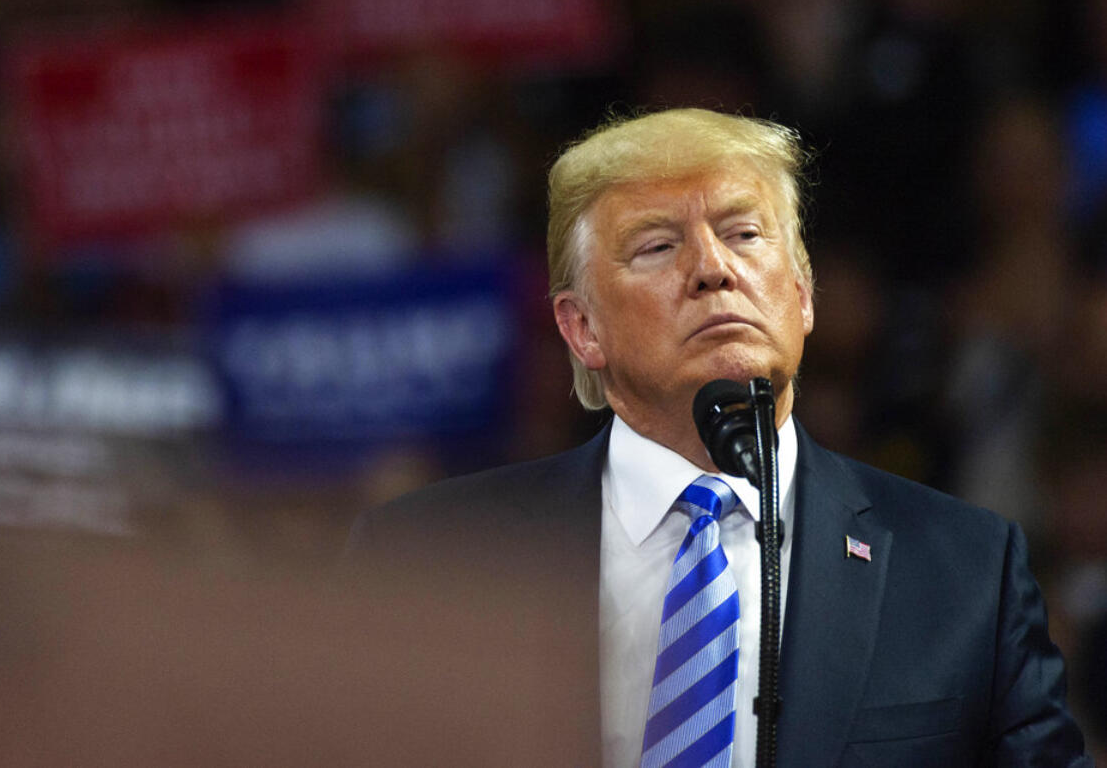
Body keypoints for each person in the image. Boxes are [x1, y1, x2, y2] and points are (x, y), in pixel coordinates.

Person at [346, 108, 1090, 766]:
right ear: (582, 328)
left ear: (801, 295)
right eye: (657, 247)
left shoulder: (963, 572)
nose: (713, 269)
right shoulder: (425, 560)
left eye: (743, 233)